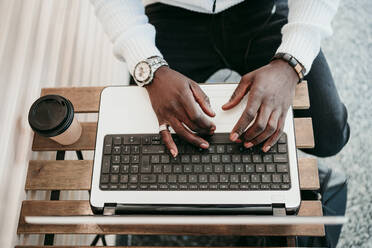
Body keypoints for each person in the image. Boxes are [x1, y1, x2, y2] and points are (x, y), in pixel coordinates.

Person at [90, 0, 350, 246]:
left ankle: (297, 173)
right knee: (146, 161)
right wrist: (148, 65)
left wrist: (291, 60)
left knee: (329, 136)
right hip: (174, 16)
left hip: (259, 10)